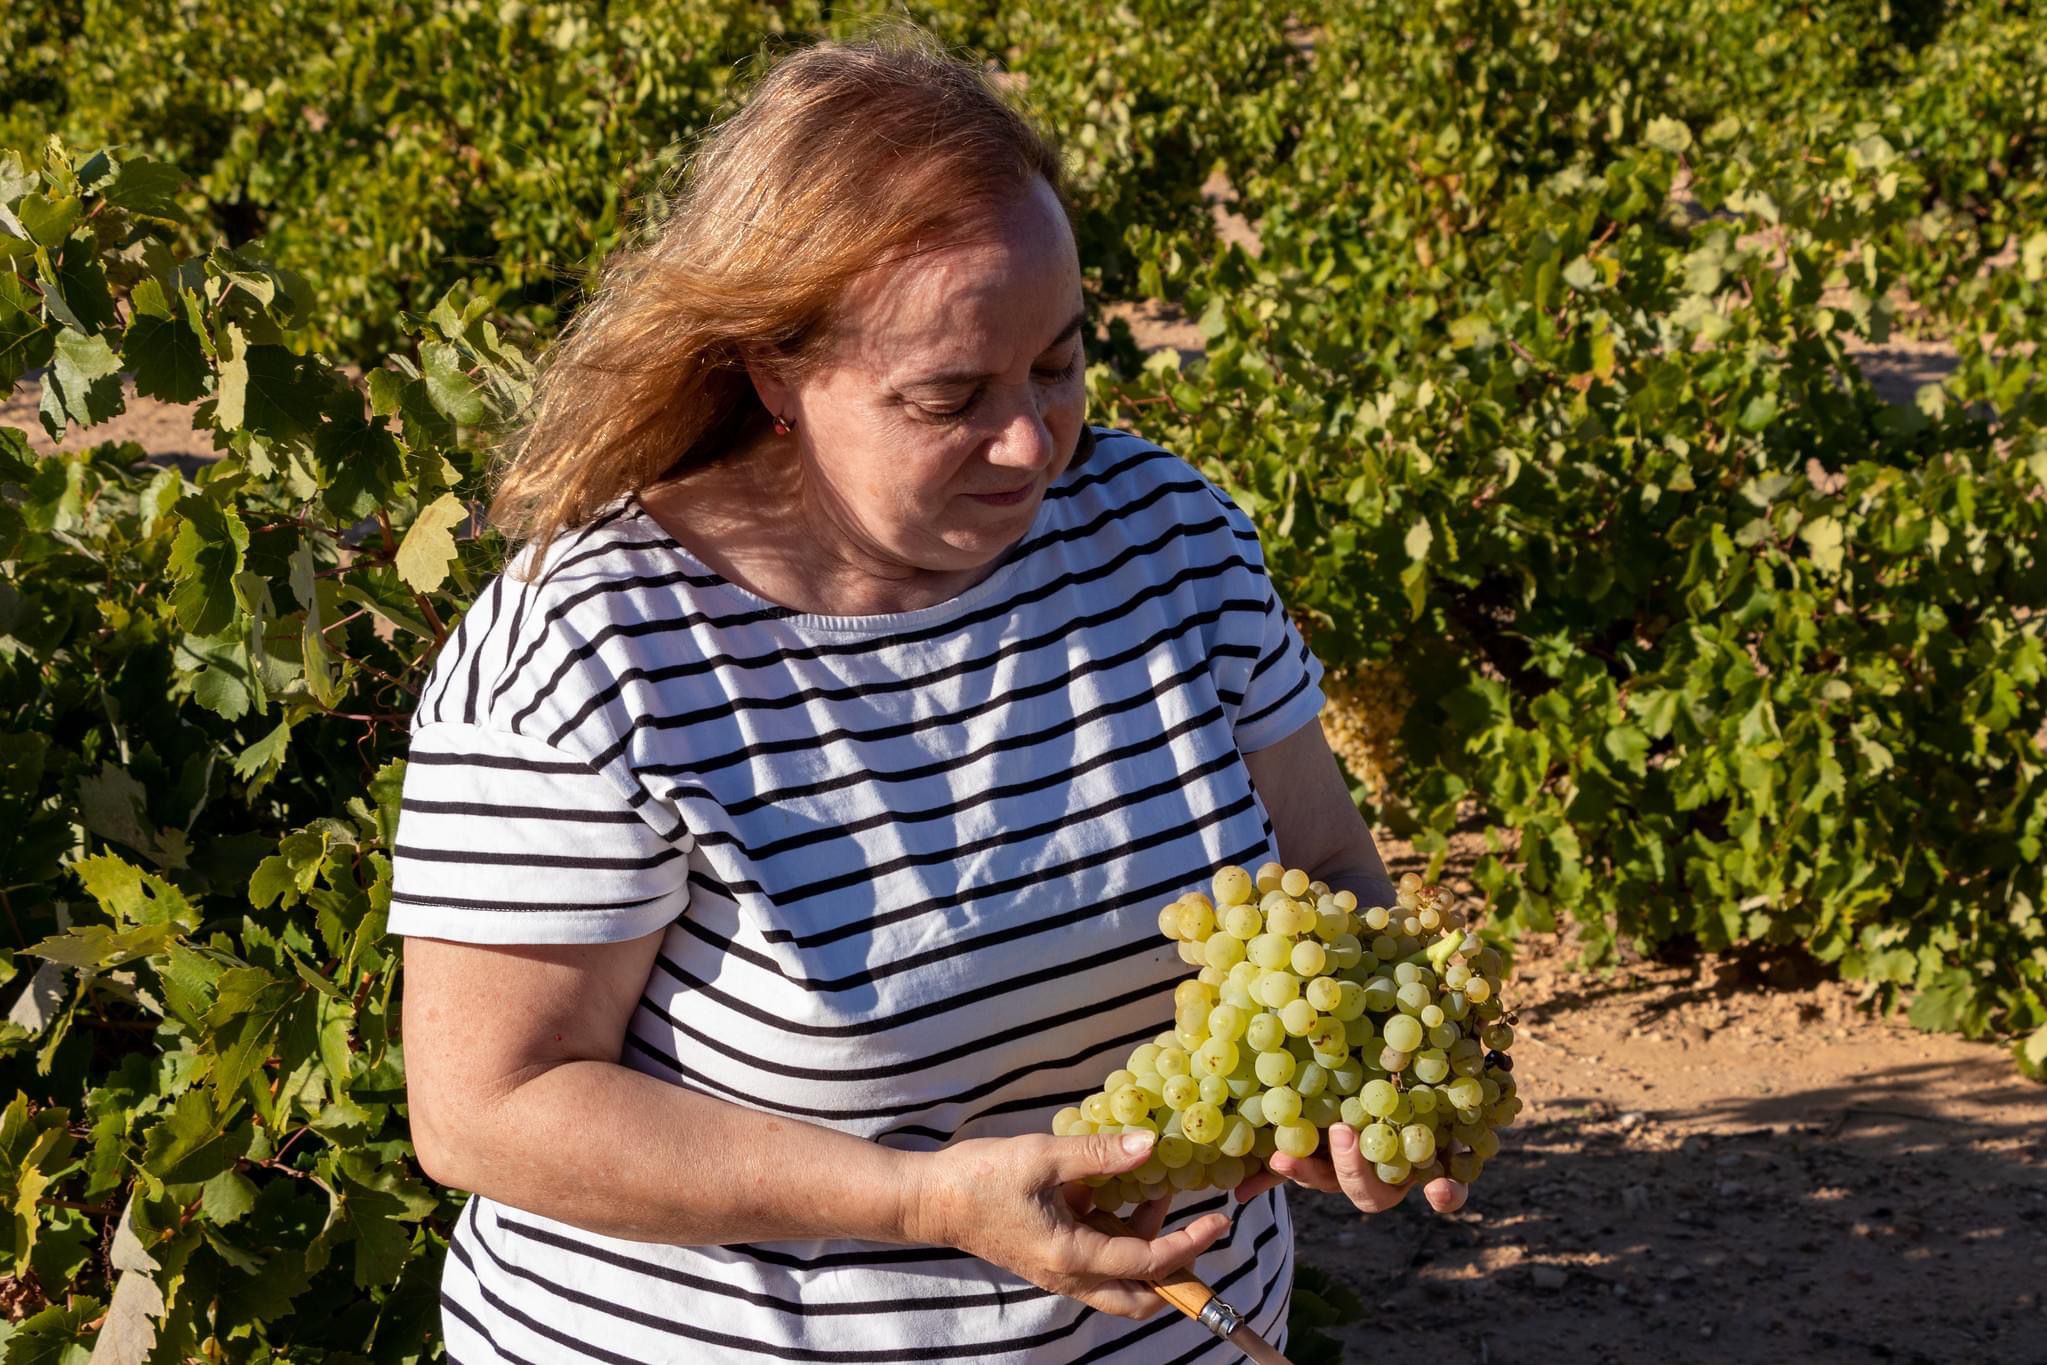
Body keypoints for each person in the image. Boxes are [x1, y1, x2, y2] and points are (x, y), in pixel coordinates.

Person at [391, 30, 1467, 1365]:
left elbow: (1319, 864)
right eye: (949, 396)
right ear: (774, 372)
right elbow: (487, 1108)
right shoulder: (596, 644)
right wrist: (919, 1199)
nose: (1031, 440)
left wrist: (1363, 1070)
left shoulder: (1167, 539)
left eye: (1060, 364)